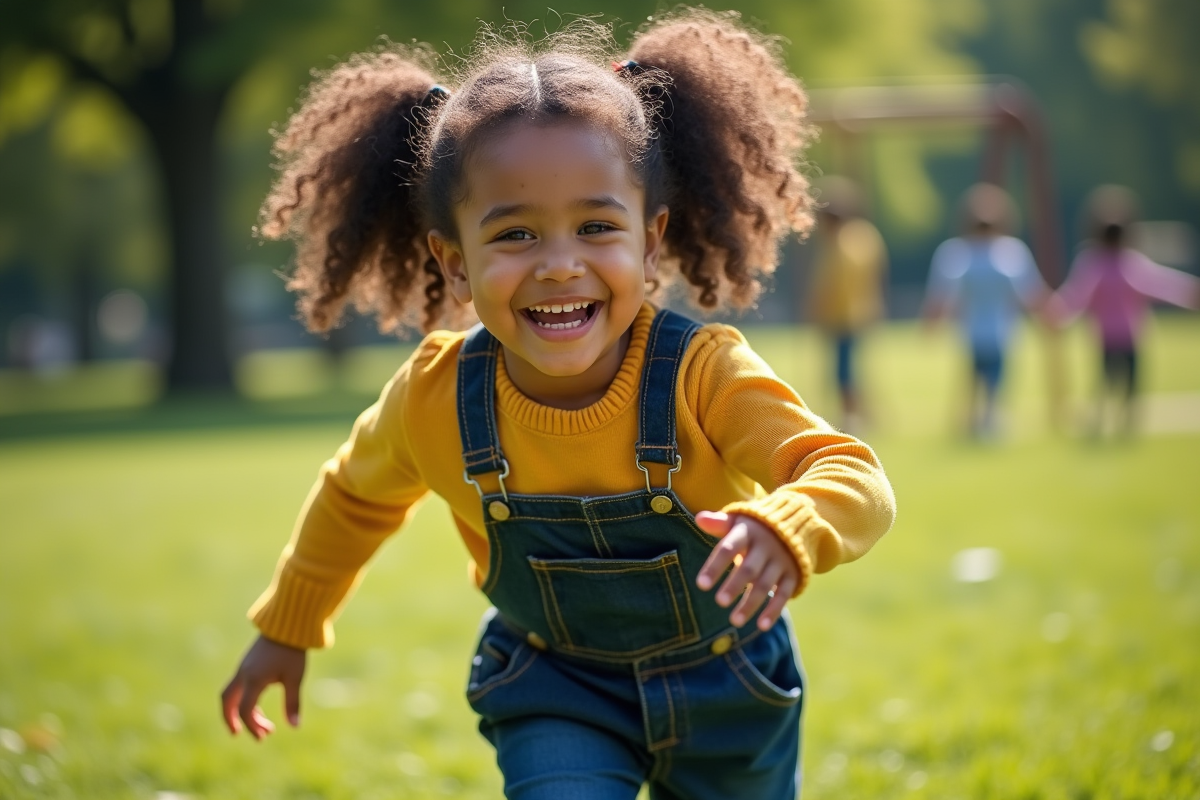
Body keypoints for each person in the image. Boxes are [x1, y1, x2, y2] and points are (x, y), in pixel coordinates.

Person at [220, 12, 896, 799]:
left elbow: (850, 471)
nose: (559, 264)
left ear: (649, 243)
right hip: (554, 685)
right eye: (514, 236)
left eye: (597, 226)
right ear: (455, 261)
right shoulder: (436, 396)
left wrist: (790, 526)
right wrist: (287, 626)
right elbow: (354, 494)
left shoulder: (701, 375)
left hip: (731, 687)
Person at [1051, 185, 1200, 437]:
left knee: (1110, 381)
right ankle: (1117, 423)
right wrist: (1188, 294)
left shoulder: (1098, 262)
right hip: (1125, 335)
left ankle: (1110, 423)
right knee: (1121, 382)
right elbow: (1162, 285)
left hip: (1114, 335)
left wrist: (1059, 313)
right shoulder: (1118, 262)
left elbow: (1076, 296)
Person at [922, 183, 1048, 439]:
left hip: (980, 331)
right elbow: (1030, 294)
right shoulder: (1008, 252)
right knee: (990, 381)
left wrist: (931, 322)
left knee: (979, 380)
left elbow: (942, 297)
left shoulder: (960, 252)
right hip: (995, 331)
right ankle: (985, 422)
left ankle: (978, 422)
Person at [807, 176, 888, 432]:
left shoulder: (838, 243)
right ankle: (864, 413)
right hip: (864, 312)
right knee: (853, 367)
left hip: (842, 316)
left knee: (843, 371)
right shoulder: (866, 235)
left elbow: (830, 284)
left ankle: (851, 416)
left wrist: (816, 309)